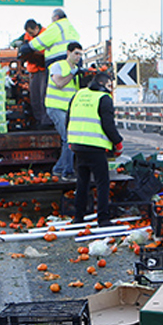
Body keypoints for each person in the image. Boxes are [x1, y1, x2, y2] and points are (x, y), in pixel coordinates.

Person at [67, 71, 122, 225]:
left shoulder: (78, 94)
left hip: (78, 145)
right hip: (95, 147)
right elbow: (108, 125)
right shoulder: (103, 98)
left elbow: (69, 118)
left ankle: (78, 217)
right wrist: (117, 142)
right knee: (102, 182)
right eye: (110, 85)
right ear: (104, 84)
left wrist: (71, 140)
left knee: (82, 182)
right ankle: (103, 218)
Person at [19, 9, 79, 126]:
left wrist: (27, 47)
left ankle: (48, 121)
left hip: (57, 64)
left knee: (49, 94)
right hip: (68, 64)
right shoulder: (71, 29)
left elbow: (41, 42)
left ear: (56, 17)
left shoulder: (56, 27)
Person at [45, 41, 84, 179]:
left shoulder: (77, 72)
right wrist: (73, 74)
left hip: (69, 110)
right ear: (68, 53)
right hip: (56, 107)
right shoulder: (57, 66)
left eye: (80, 54)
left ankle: (59, 168)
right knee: (68, 139)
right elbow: (59, 83)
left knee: (70, 139)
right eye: (76, 53)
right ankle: (67, 171)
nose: (78, 57)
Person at [16, 19, 48, 127]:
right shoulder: (26, 35)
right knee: (35, 96)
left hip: (44, 68)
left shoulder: (46, 33)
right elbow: (15, 43)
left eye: (31, 32)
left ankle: (45, 121)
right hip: (33, 70)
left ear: (37, 28)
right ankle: (38, 120)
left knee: (43, 95)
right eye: (28, 33)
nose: (30, 35)